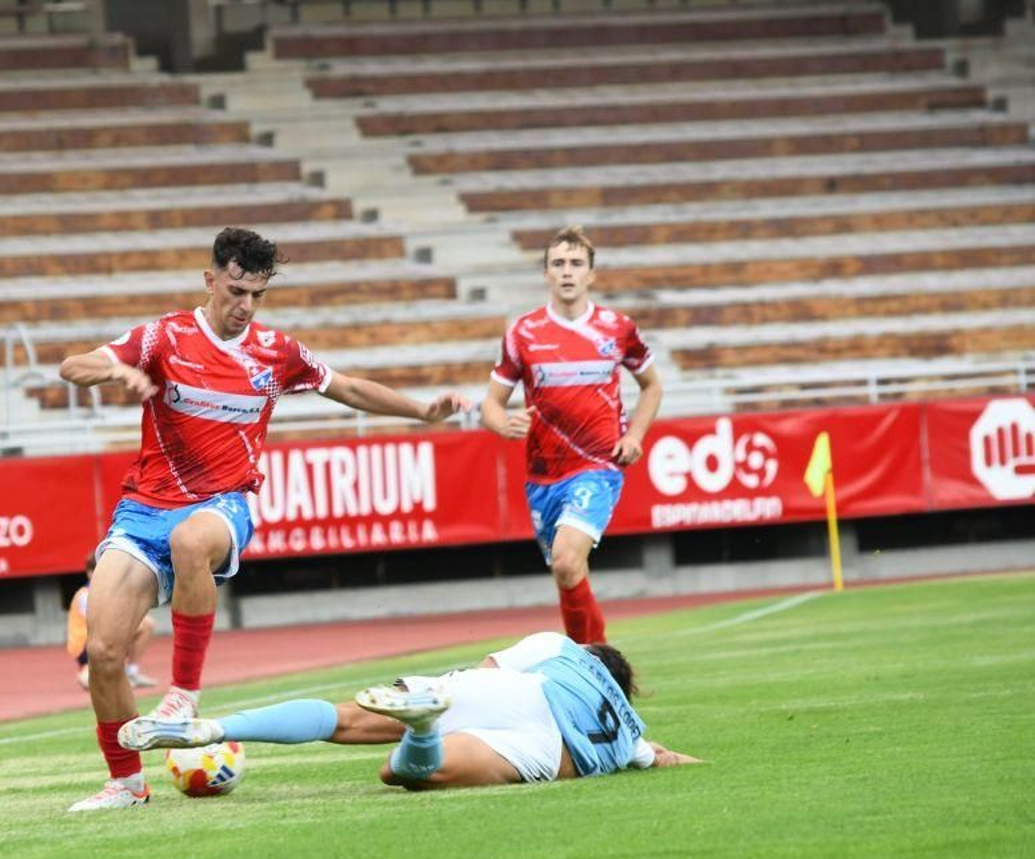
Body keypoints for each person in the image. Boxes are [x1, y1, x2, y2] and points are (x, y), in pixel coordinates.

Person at [58, 226, 472, 810]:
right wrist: (114, 371)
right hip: (143, 508)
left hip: (221, 505)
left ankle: (184, 694)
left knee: (189, 538)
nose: (244, 306)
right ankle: (126, 783)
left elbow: (347, 387)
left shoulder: (276, 352)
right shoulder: (163, 336)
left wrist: (422, 410)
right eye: (235, 291)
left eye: (256, 294)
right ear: (210, 281)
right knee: (103, 654)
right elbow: (72, 365)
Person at [119, 631, 699, 790]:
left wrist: (456, 694)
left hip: (519, 692)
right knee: (402, 773)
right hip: (552, 750)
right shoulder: (630, 735)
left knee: (344, 717)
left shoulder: (561, 648)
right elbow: (668, 759)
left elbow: (487, 671)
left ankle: (218, 726)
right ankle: (421, 732)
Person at [480, 225, 663, 645]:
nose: (567, 271)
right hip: (543, 475)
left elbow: (652, 385)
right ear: (546, 274)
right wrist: (501, 422)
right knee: (567, 572)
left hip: (598, 467)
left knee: (565, 562)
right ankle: (591, 655)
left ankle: (597, 666)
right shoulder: (522, 334)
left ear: (591, 275)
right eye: (558, 264)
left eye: (576, 264)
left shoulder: (617, 329)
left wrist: (634, 434)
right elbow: (492, 402)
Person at [67, 553, 156, 691]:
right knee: (122, 627)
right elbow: (99, 622)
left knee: (146, 624)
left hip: (105, 636)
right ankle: (88, 674)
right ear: (90, 573)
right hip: (85, 644)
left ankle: (130, 672)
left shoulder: (112, 590)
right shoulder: (85, 594)